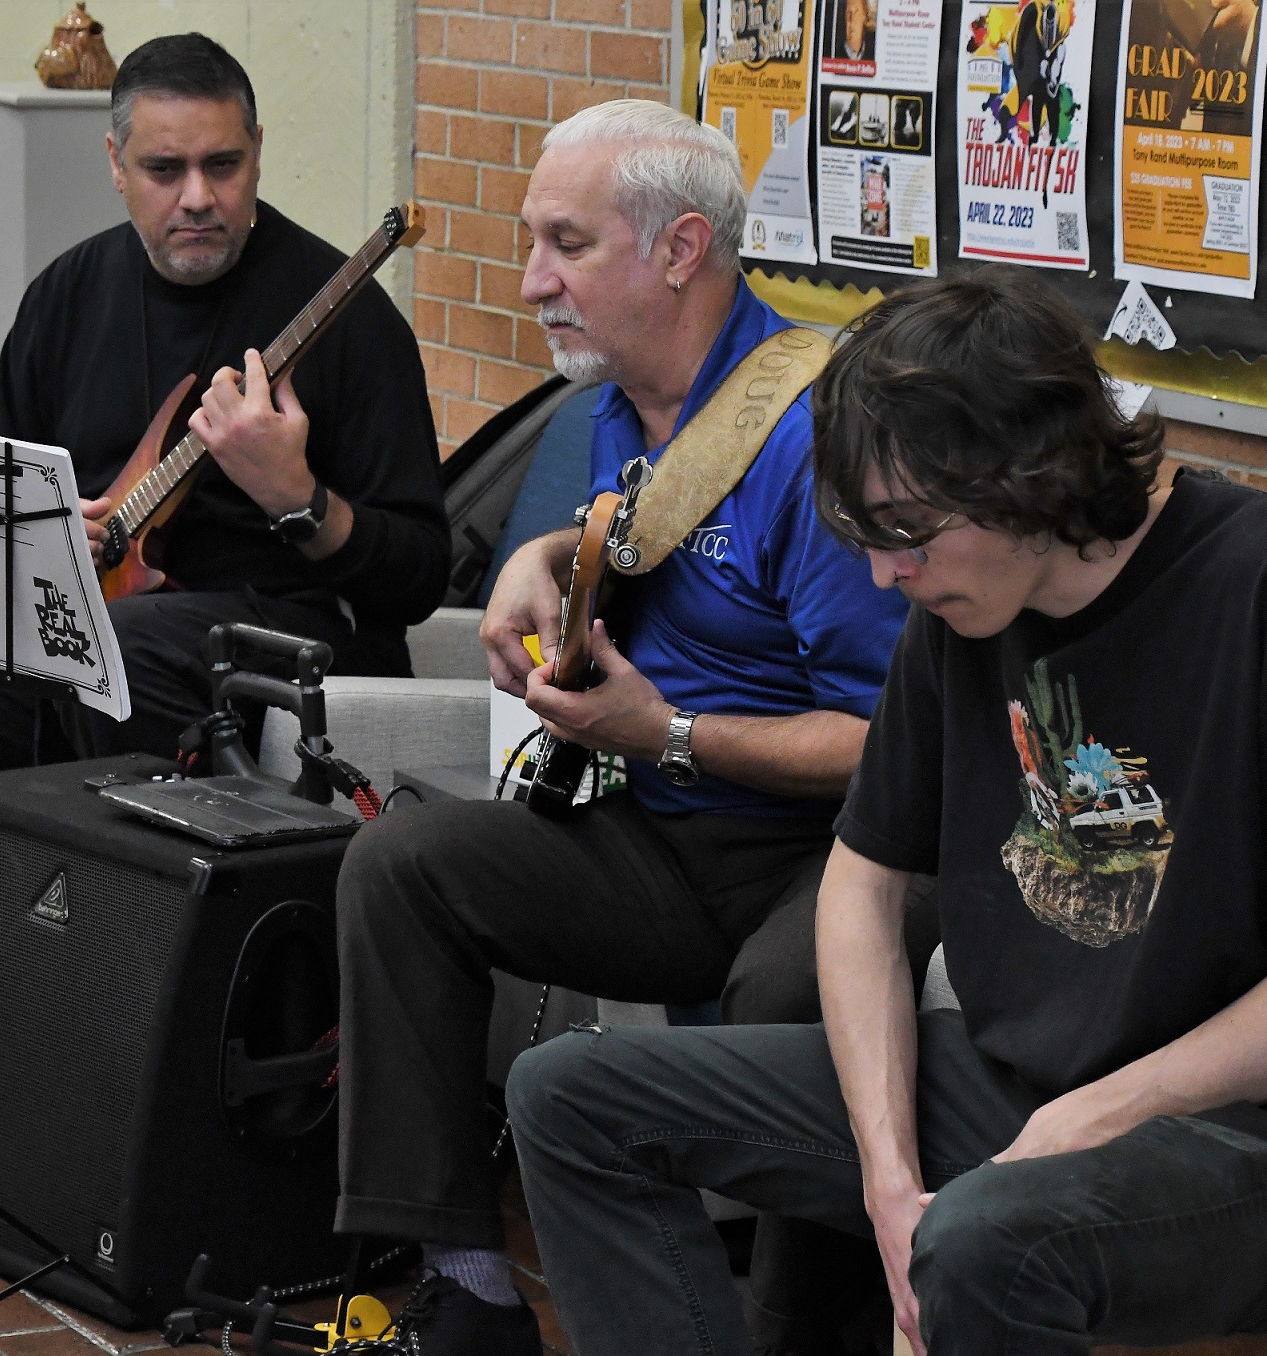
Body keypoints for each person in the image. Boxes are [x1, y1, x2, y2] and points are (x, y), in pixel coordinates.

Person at [504, 266, 1267, 1355]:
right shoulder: (956, 613)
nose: (880, 574)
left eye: (907, 532)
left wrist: (1092, 1118)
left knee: (986, 1239)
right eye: (865, 534)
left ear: (1034, 473)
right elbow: (861, 884)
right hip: (1024, 1099)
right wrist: (886, 1173)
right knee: (569, 1096)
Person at [330, 100, 913, 1355]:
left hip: (817, 852)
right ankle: (465, 1288)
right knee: (400, 866)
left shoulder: (815, 434)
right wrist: (536, 557)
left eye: (565, 244)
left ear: (680, 248)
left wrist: (670, 733)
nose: (533, 280)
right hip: (657, 832)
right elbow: (638, 533)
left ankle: (782, 1322)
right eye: (534, 242)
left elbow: (893, 744)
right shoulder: (613, 400)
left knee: (790, 979)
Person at [0, 33, 447, 923]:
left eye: (224, 165)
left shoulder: (348, 318)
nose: (198, 197)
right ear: (115, 165)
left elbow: (418, 578)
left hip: (271, 644)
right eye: (164, 169)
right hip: (85, 640)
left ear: (258, 151)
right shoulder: (67, 294)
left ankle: (120, 991)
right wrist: (48, 540)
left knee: (118, 649)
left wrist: (298, 498)